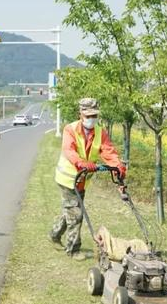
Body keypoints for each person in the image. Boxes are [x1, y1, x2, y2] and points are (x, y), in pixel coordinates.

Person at [48, 98, 126, 261]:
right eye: (88, 115)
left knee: (71, 210)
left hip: (82, 180)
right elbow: (69, 151)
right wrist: (82, 163)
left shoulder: (100, 132)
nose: (91, 119)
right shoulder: (70, 129)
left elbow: (108, 152)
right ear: (81, 114)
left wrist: (118, 167)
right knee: (76, 214)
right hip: (68, 178)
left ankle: (54, 235)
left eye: (94, 115)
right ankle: (73, 249)